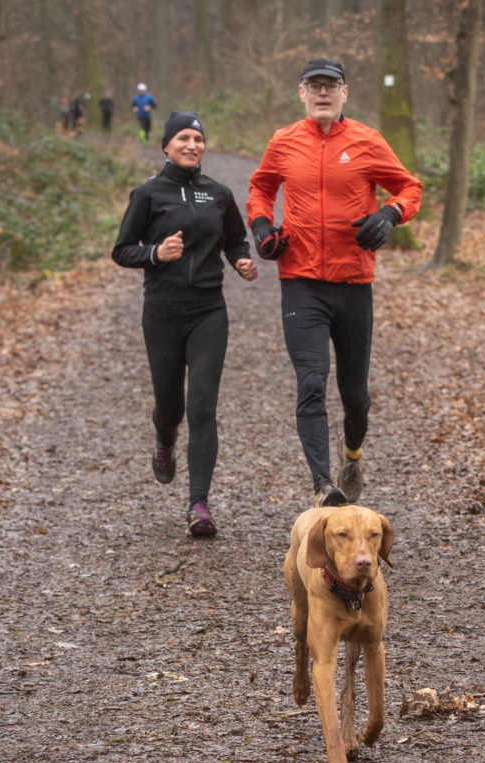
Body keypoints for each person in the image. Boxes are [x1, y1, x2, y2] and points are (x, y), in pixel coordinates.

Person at [247, 57, 422, 507]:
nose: (322, 93)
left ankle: (352, 454)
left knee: (355, 396)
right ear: (301, 93)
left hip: (353, 283)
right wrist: (262, 224)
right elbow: (261, 188)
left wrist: (390, 214)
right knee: (311, 380)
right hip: (300, 280)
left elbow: (409, 188)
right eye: (314, 85)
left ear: (345, 93)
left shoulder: (367, 141)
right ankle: (323, 485)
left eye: (331, 85)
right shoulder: (284, 141)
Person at [112, 112, 257, 538]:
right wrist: (155, 253)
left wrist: (242, 261)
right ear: (166, 146)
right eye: (183, 138)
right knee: (171, 406)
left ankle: (199, 504)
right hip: (162, 311)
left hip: (209, 310)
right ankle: (164, 438)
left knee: (202, 408)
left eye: (198, 138)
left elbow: (235, 240)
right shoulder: (148, 194)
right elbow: (122, 250)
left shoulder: (219, 194)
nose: (192, 145)